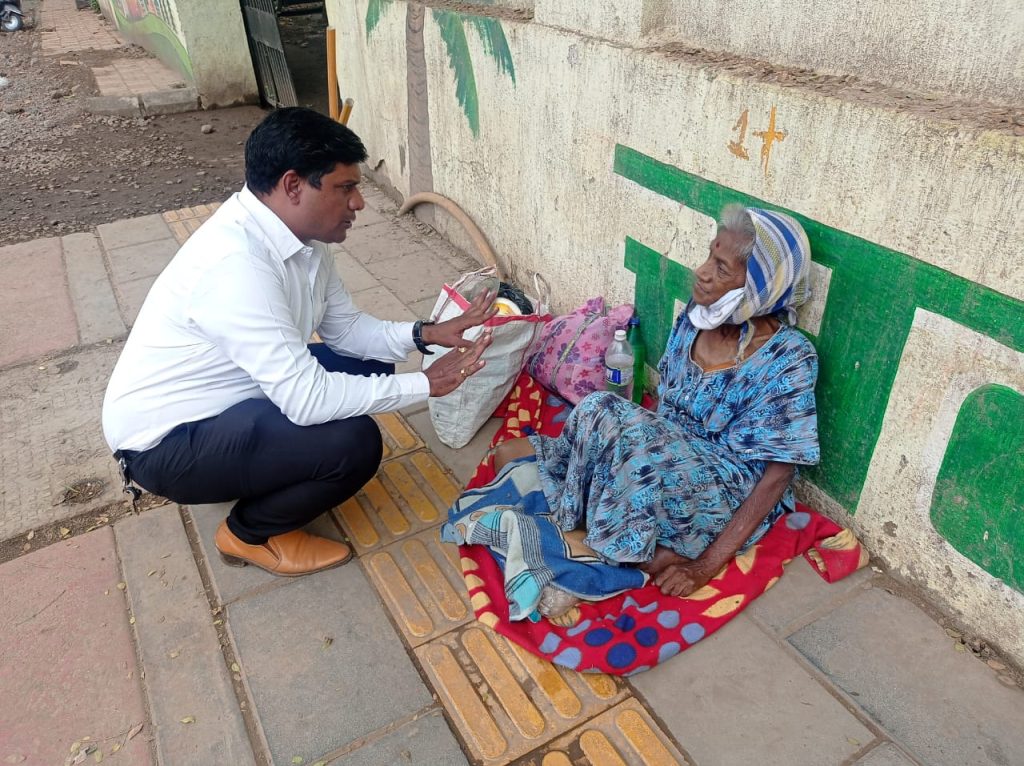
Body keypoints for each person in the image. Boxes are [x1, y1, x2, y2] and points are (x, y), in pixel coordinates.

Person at [102, 107, 494, 577]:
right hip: (165, 446)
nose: (359, 204)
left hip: (224, 402)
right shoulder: (236, 265)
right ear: (293, 186)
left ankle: (260, 470)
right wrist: (425, 385)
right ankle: (250, 533)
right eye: (346, 188)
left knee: (364, 366)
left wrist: (424, 334)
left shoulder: (303, 240)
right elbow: (306, 400)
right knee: (354, 442)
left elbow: (346, 331)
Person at [493, 204, 818, 601]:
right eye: (709, 256)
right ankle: (605, 526)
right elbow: (660, 414)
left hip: (726, 485)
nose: (702, 271)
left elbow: (777, 476)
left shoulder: (789, 357)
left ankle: (613, 549)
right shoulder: (698, 317)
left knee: (626, 452)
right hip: (669, 454)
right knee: (598, 406)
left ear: (761, 288)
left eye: (722, 268)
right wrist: (627, 438)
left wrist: (705, 566)